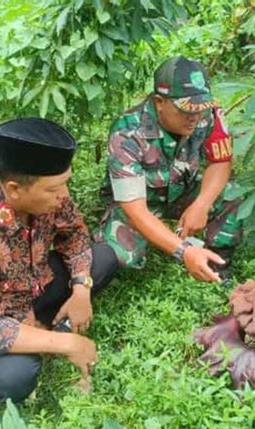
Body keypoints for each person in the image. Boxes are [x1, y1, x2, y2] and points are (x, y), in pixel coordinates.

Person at [0, 118, 118, 402]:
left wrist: (81, 288)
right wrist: (66, 343)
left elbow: (75, 237)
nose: (64, 196)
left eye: (65, 184)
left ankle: (38, 327)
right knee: (15, 376)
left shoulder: (51, 193)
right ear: (15, 189)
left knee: (104, 258)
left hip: (30, 286)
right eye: (55, 190)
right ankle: (38, 334)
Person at [96, 56, 242, 282]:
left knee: (232, 193)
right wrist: (184, 251)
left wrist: (201, 204)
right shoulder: (127, 132)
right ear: (159, 102)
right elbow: (135, 210)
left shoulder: (208, 115)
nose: (194, 118)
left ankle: (217, 261)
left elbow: (220, 161)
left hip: (182, 189)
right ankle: (186, 251)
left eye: (200, 109)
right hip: (141, 202)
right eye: (185, 111)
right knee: (121, 254)